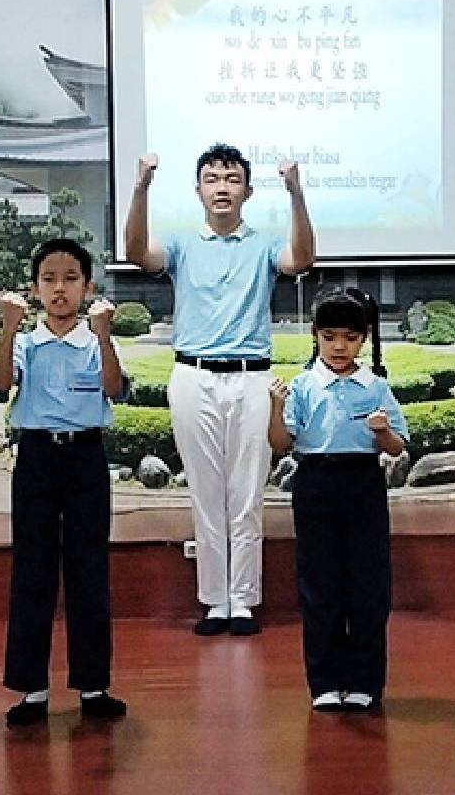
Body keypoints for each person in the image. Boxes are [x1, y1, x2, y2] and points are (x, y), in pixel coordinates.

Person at [124, 143, 316, 636]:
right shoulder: (184, 246)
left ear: (247, 190)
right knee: (207, 493)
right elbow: (137, 253)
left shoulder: (264, 245)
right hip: (193, 376)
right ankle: (214, 601)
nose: (222, 187)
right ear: (198, 190)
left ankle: (243, 600)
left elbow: (303, 259)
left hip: (252, 377)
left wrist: (296, 192)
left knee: (247, 491)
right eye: (213, 179)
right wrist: (142, 187)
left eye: (232, 179)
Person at [0, 237, 129, 725]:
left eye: (71, 279)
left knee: (88, 570)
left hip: (86, 458)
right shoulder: (27, 341)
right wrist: (8, 330)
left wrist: (106, 335)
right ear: (34, 289)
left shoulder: (96, 339)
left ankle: (93, 687)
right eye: (48, 280)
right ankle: (30, 689)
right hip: (36, 460)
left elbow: (114, 388)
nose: (59, 289)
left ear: (88, 287)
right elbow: (1, 387)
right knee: (32, 570)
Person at [267, 289, 408, 712]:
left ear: (363, 339)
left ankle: (364, 681)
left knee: (367, 585)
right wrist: (276, 407)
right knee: (319, 583)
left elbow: (397, 448)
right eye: (329, 337)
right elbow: (280, 443)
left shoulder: (376, 387)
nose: (339, 346)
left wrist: (382, 432)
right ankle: (325, 682)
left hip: (363, 483)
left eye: (349, 337)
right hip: (315, 483)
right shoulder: (303, 386)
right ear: (316, 337)